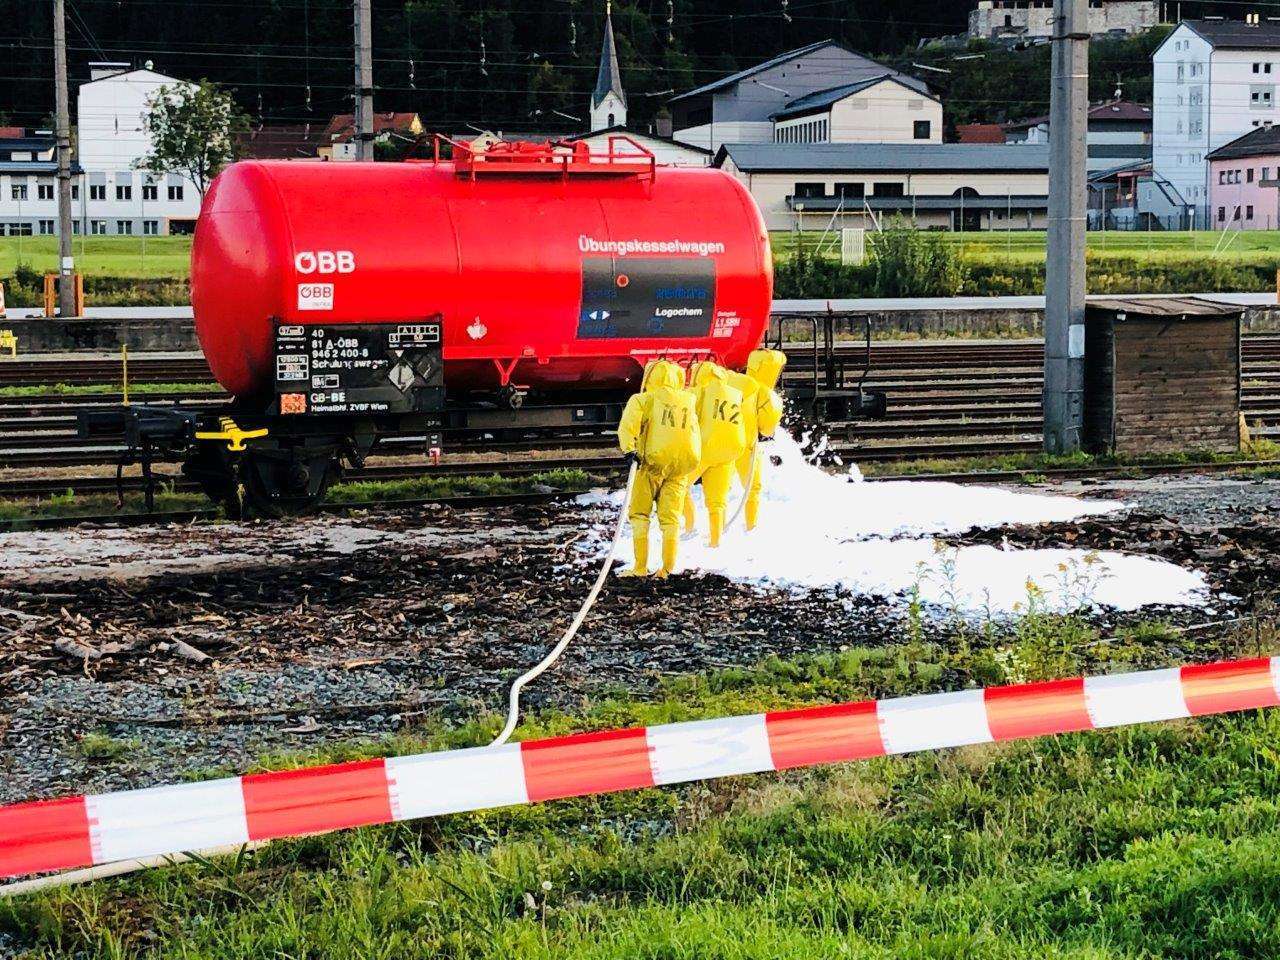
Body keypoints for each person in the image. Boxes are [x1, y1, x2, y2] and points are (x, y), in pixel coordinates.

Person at [616, 359, 700, 577]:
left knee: (640, 515)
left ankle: (640, 567)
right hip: (680, 468)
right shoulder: (688, 401)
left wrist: (629, 450)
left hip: (649, 465)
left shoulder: (643, 399)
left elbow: (628, 426)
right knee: (671, 518)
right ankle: (667, 569)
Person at [682, 361, 747, 547]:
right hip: (730, 452)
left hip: (706, 449)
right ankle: (716, 542)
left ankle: (690, 528)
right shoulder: (734, 394)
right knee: (718, 501)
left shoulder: (699, 391)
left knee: (680, 487)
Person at [732, 348, 786, 531]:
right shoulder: (768, 396)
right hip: (747, 445)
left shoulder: (734, 379)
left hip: (722, 439)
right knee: (752, 488)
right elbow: (767, 429)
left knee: (716, 492)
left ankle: (707, 529)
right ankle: (751, 526)